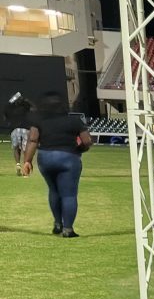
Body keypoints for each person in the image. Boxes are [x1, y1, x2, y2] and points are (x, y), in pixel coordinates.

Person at [21, 91, 91, 237]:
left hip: (45, 158)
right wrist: (78, 150)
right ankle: (68, 229)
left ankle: (57, 223)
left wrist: (27, 161)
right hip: (68, 157)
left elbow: (33, 140)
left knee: (54, 191)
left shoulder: (39, 121)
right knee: (69, 195)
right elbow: (87, 141)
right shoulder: (75, 120)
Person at [6, 94, 33, 177]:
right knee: (26, 149)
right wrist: (27, 100)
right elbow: (35, 108)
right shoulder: (26, 108)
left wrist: (13, 98)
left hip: (14, 129)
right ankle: (26, 169)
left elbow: (6, 110)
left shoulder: (12, 109)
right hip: (25, 129)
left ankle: (18, 164)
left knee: (16, 148)